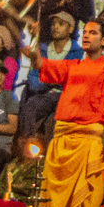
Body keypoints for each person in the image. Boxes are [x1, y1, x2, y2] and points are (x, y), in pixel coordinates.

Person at [26, 16, 104, 207]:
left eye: (92, 32)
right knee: (51, 196)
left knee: (85, 200)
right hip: (61, 139)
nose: (86, 35)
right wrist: (34, 38)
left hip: (88, 140)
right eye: (85, 32)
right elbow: (38, 63)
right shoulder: (72, 65)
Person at [17, 12, 83, 143]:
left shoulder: (78, 52)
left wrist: (48, 78)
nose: (55, 27)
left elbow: (70, 81)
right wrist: (54, 82)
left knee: (54, 120)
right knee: (30, 106)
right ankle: (26, 147)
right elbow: (33, 79)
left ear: (70, 29)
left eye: (61, 24)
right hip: (42, 95)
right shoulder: (42, 49)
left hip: (64, 97)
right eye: (53, 23)